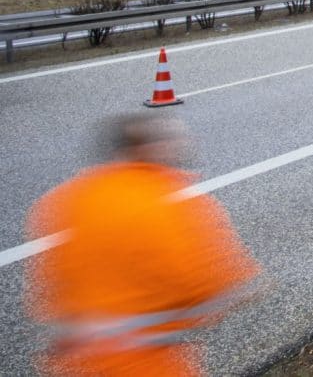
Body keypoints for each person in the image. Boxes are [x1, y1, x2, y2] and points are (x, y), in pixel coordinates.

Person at [24, 114, 260, 376]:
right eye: (168, 139)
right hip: (147, 362)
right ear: (144, 149)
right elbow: (205, 281)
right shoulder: (172, 202)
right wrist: (242, 289)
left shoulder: (66, 198)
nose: (181, 143)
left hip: (77, 361)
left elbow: (50, 283)